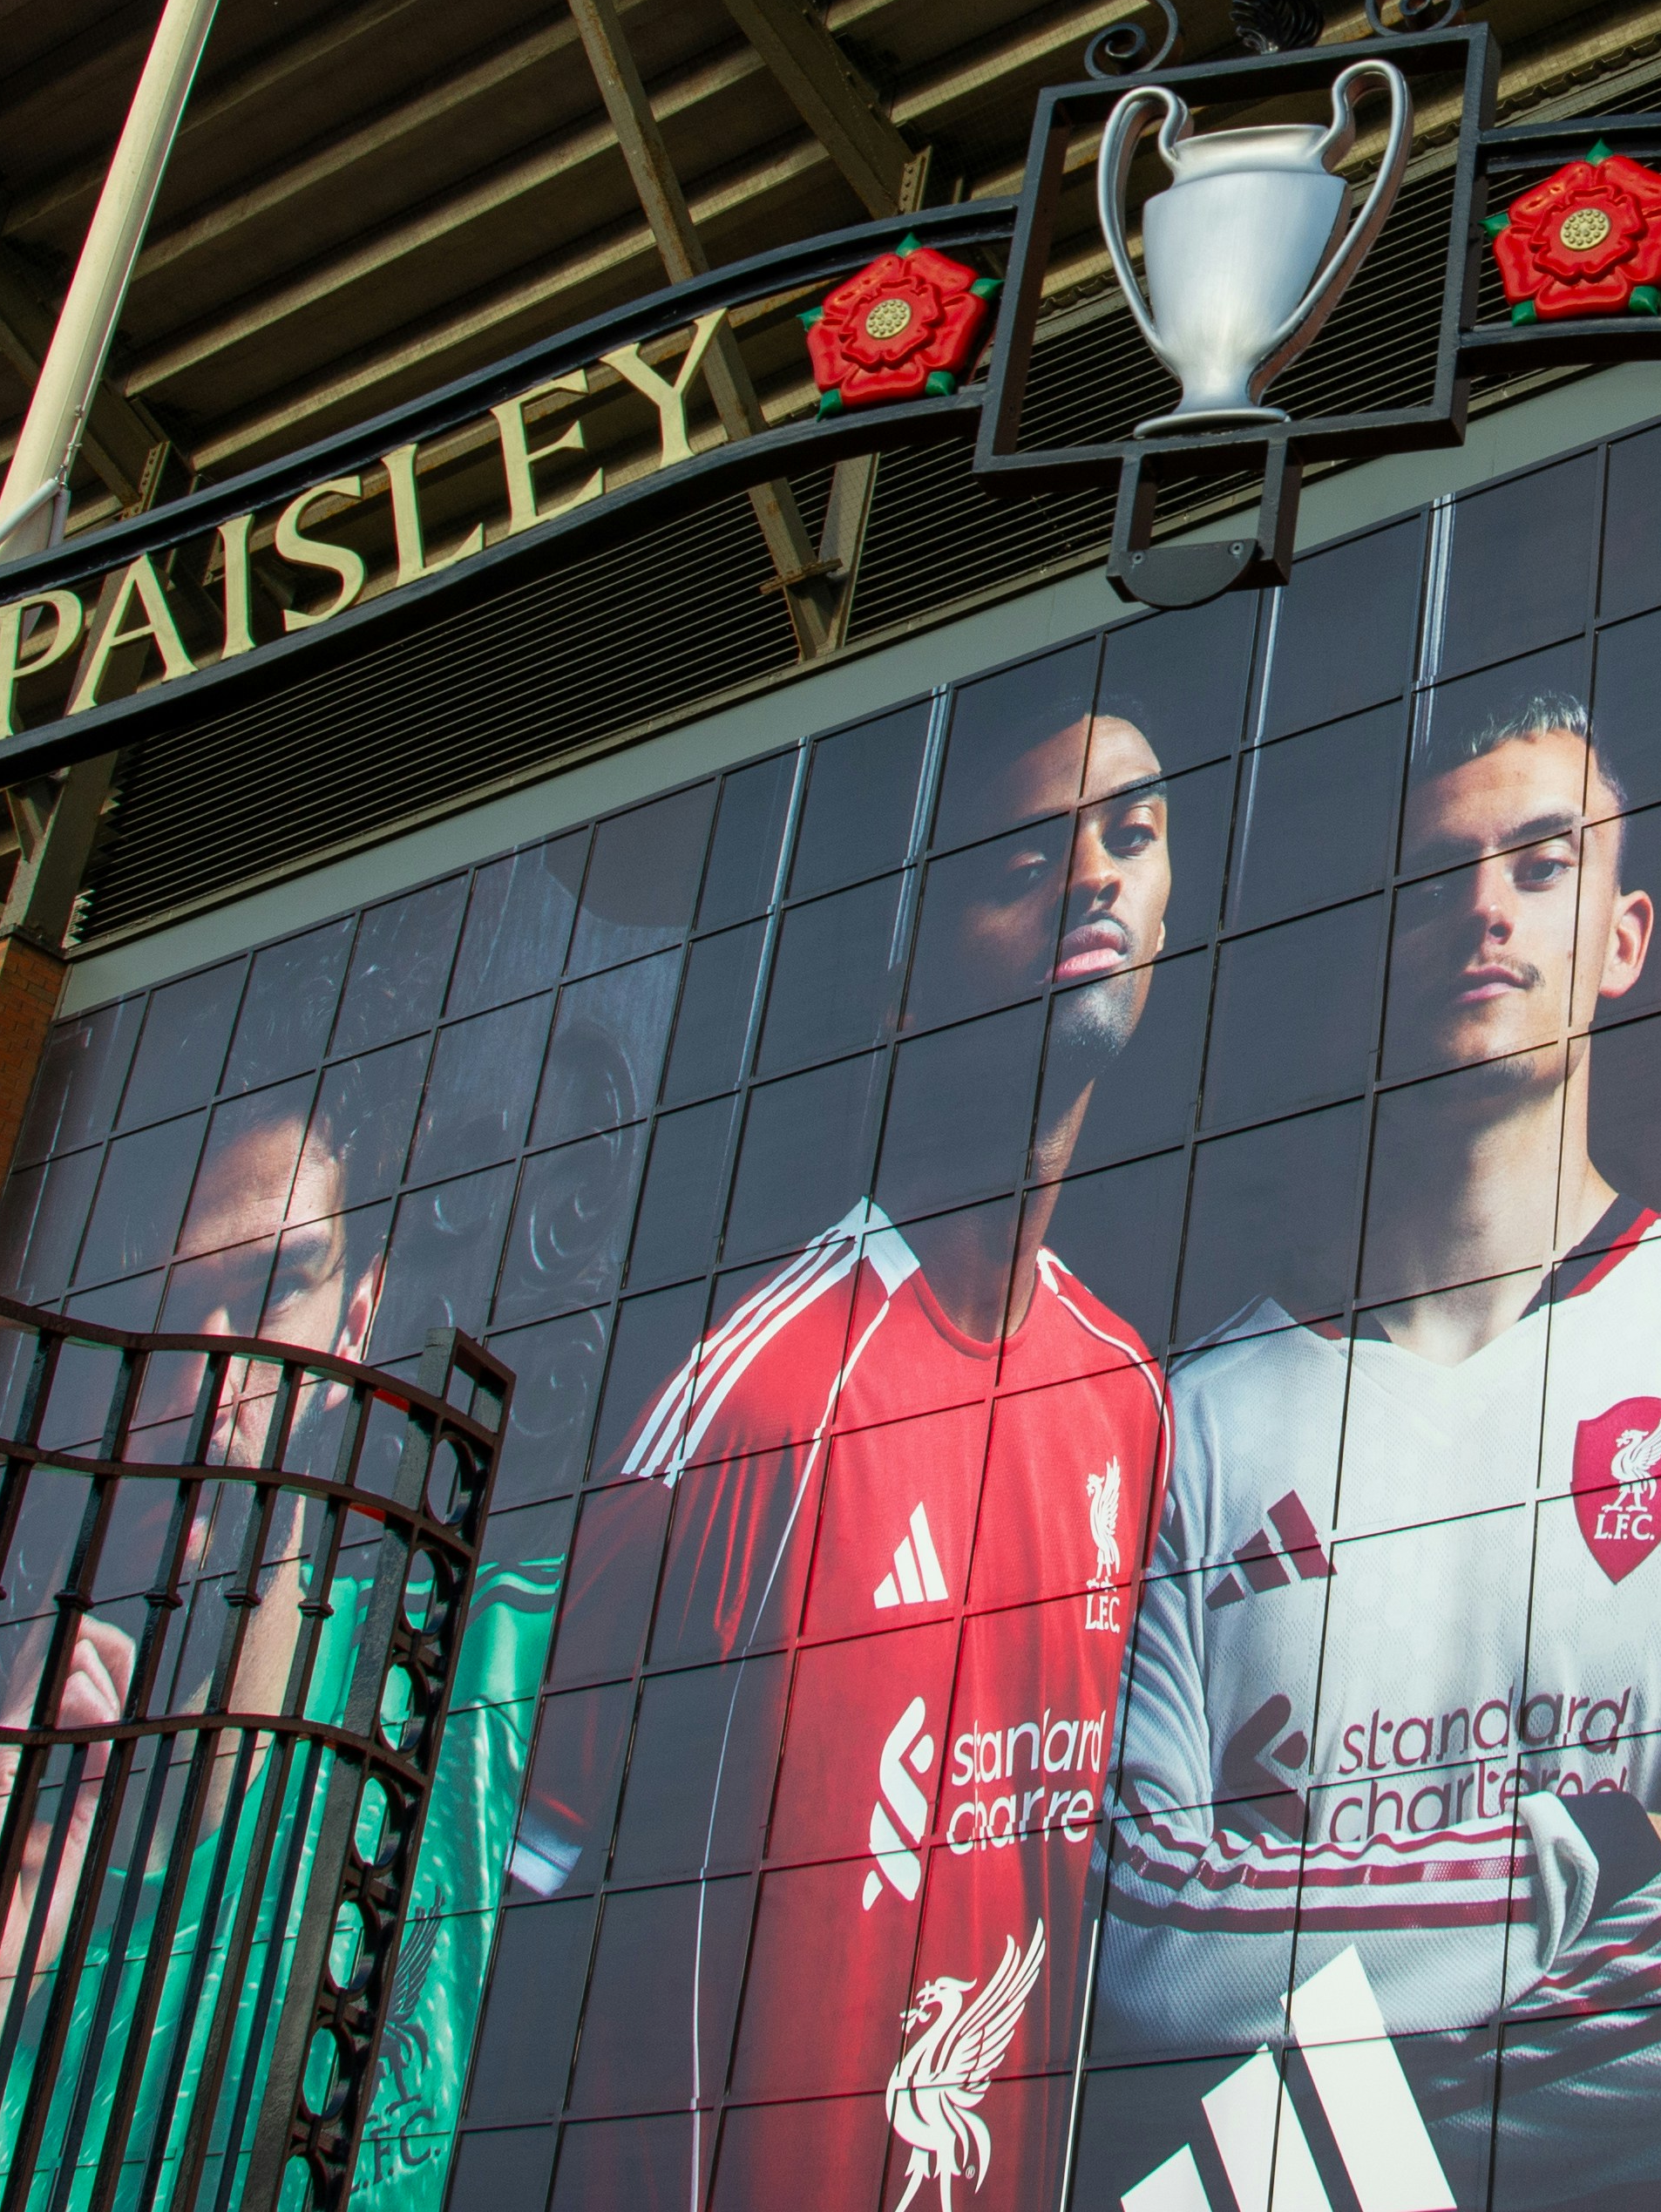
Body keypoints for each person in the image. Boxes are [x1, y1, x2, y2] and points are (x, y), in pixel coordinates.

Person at [1092, 695, 1661, 2207]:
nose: (1485, 909)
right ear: (1380, 955)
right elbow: (1138, 1949)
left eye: (1542, 864)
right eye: (1440, 879)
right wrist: (1600, 1848)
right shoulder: (1187, 1423)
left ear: (1623, 938)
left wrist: (1292, 2160)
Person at [512, 696, 1190, 2212]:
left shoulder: (1130, 1399)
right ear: (902, 990)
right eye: (1024, 861)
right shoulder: (755, 1403)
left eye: (1132, 835)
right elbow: (505, 1900)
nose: (1094, 875)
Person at [0, 1103, 547, 2212]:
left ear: (356, 1318)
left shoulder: (496, 1686)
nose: (212, 1361)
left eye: (275, 1285)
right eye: (172, 1312)